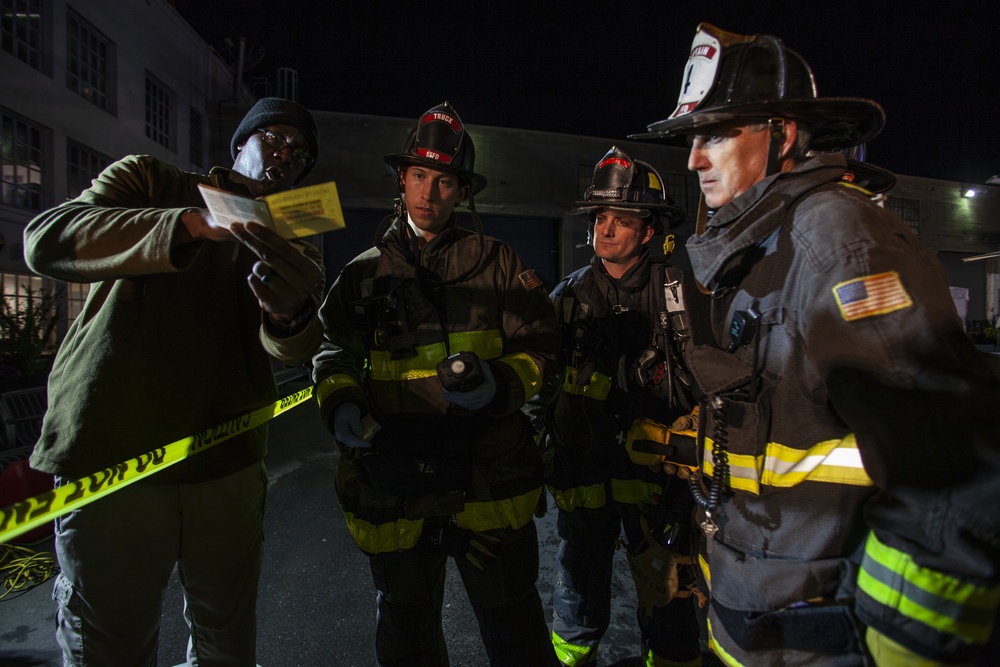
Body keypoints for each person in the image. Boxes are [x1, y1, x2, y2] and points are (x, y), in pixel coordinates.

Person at [629, 23, 1000, 666]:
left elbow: (953, 469)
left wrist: (907, 642)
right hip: (759, 620)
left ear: (784, 134)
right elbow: (791, 432)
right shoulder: (764, 250)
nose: (694, 159)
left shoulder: (837, 239)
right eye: (693, 137)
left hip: (819, 636)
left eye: (717, 133)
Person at [23, 97, 325, 666]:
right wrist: (194, 223)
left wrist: (291, 315)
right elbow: (47, 239)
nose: (287, 156)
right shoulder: (151, 179)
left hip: (226, 463)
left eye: (300, 153)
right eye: (276, 140)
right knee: (109, 643)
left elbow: (296, 348)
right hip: (113, 455)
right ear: (241, 143)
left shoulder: (295, 234)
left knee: (225, 643)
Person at [311, 101, 560, 666]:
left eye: (444, 180)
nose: (430, 192)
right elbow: (334, 351)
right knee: (407, 634)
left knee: (514, 627)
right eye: (419, 175)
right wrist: (343, 401)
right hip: (395, 476)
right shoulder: (361, 275)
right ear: (402, 180)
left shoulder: (500, 266)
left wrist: (499, 384)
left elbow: (543, 345)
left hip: (488, 475)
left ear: (462, 191)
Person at [541, 146, 706, 666]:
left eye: (624, 219)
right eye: (601, 218)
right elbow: (542, 387)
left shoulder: (678, 297)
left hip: (659, 485)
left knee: (669, 595)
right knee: (577, 593)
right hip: (583, 475)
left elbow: (710, 390)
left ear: (651, 230)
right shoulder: (566, 297)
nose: (606, 229)